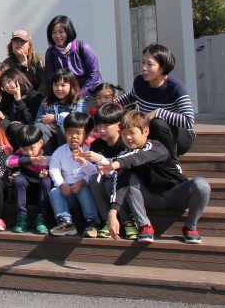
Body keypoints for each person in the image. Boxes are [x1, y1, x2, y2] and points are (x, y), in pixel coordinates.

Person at [99, 110, 211, 244]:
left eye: (132, 133)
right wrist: (113, 211)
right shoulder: (125, 155)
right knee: (128, 179)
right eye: (124, 134)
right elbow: (121, 183)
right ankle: (144, 225)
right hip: (150, 198)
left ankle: (190, 227)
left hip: (175, 195)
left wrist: (117, 163)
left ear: (145, 132)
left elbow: (140, 157)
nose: (127, 138)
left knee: (201, 184)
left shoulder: (157, 147)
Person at [117, 44, 195, 160]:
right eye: (143, 63)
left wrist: (158, 113)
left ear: (162, 67)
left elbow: (188, 121)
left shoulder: (176, 87)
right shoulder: (140, 82)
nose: (144, 68)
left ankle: (172, 162)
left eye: (150, 64)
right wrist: (110, 107)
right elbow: (131, 97)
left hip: (178, 138)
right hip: (151, 133)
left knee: (157, 123)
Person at [82, 103, 138, 240]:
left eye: (106, 126)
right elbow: (95, 170)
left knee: (110, 183)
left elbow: (122, 168)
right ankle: (107, 220)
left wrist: (101, 159)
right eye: (99, 126)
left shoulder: (125, 143)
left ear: (118, 126)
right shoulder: (96, 145)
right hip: (105, 179)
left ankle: (127, 221)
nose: (101, 130)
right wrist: (84, 162)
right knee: (95, 181)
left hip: (125, 181)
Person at [48, 112, 101, 237]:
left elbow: (95, 171)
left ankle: (92, 222)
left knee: (84, 190)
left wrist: (83, 181)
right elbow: (54, 169)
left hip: (84, 190)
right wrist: (62, 184)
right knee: (54, 192)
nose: (74, 136)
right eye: (70, 132)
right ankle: (65, 222)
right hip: (67, 191)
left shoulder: (90, 151)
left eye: (78, 133)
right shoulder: (60, 152)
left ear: (86, 134)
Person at [7, 125, 53, 235]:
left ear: (41, 143)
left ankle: (41, 218)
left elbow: (57, 171)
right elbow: (8, 161)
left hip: (41, 190)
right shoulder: (22, 154)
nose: (29, 152)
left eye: (32, 148)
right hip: (26, 189)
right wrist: (28, 160)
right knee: (19, 179)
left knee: (47, 181)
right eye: (24, 149)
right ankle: (22, 217)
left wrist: (48, 173)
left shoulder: (49, 157)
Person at [44, 15, 102, 99]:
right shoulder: (50, 52)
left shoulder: (84, 48)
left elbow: (94, 75)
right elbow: (50, 78)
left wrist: (80, 94)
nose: (57, 36)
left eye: (61, 32)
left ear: (69, 31)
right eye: (54, 32)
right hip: (63, 96)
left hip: (89, 94)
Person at [35, 68, 84, 147]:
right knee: (39, 127)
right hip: (50, 134)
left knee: (63, 128)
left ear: (71, 85)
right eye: (56, 85)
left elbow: (77, 121)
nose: (59, 88)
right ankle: (48, 156)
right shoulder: (46, 100)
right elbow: (37, 120)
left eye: (63, 85)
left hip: (67, 137)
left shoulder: (78, 101)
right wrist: (47, 122)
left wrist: (55, 118)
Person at [0, 67, 43, 146]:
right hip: (11, 127)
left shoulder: (34, 96)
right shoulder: (7, 98)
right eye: (4, 85)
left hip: (27, 132)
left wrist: (19, 100)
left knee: (14, 127)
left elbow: (30, 120)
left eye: (9, 81)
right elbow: (6, 114)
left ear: (18, 78)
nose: (7, 86)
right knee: (1, 122)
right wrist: (1, 115)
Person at [4, 29, 48, 96]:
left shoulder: (37, 58)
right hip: (17, 96)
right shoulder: (7, 63)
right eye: (15, 41)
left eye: (22, 41)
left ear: (29, 45)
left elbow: (45, 81)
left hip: (38, 96)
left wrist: (38, 97)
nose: (18, 43)